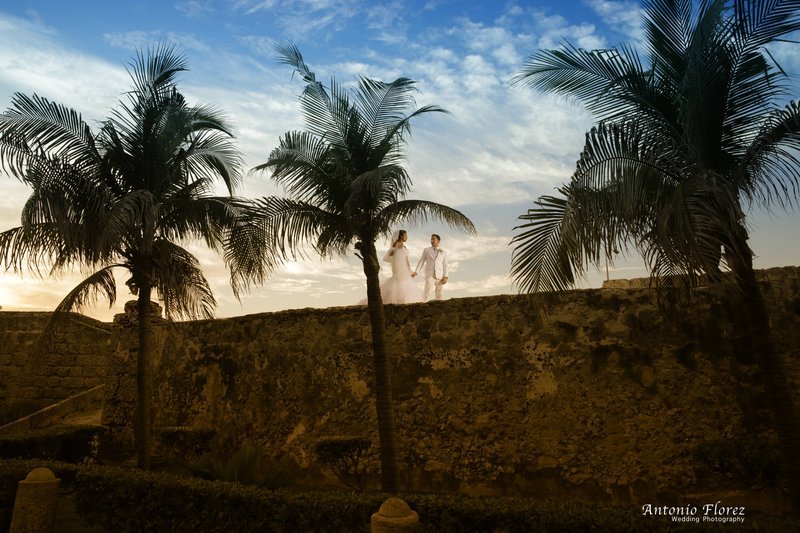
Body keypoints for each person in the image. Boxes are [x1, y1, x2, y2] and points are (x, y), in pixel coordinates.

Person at [370, 230, 423, 305]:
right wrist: (395, 252)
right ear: (401, 236)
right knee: (399, 281)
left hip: (404, 267)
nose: (407, 237)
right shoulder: (397, 243)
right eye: (405, 235)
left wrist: (409, 270)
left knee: (406, 283)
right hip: (399, 267)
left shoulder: (404, 246)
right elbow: (389, 254)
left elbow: (406, 259)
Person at [412, 234, 448, 301]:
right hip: (429, 275)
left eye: (433, 239)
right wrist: (416, 271)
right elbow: (421, 261)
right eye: (431, 239)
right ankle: (423, 305)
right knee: (426, 293)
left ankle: (438, 306)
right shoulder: (426, 250)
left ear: (438, 241)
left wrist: (445, 276)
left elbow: (445, 265)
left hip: (440, 276)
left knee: (439, 295)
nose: (431, 241)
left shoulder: (443, 252)